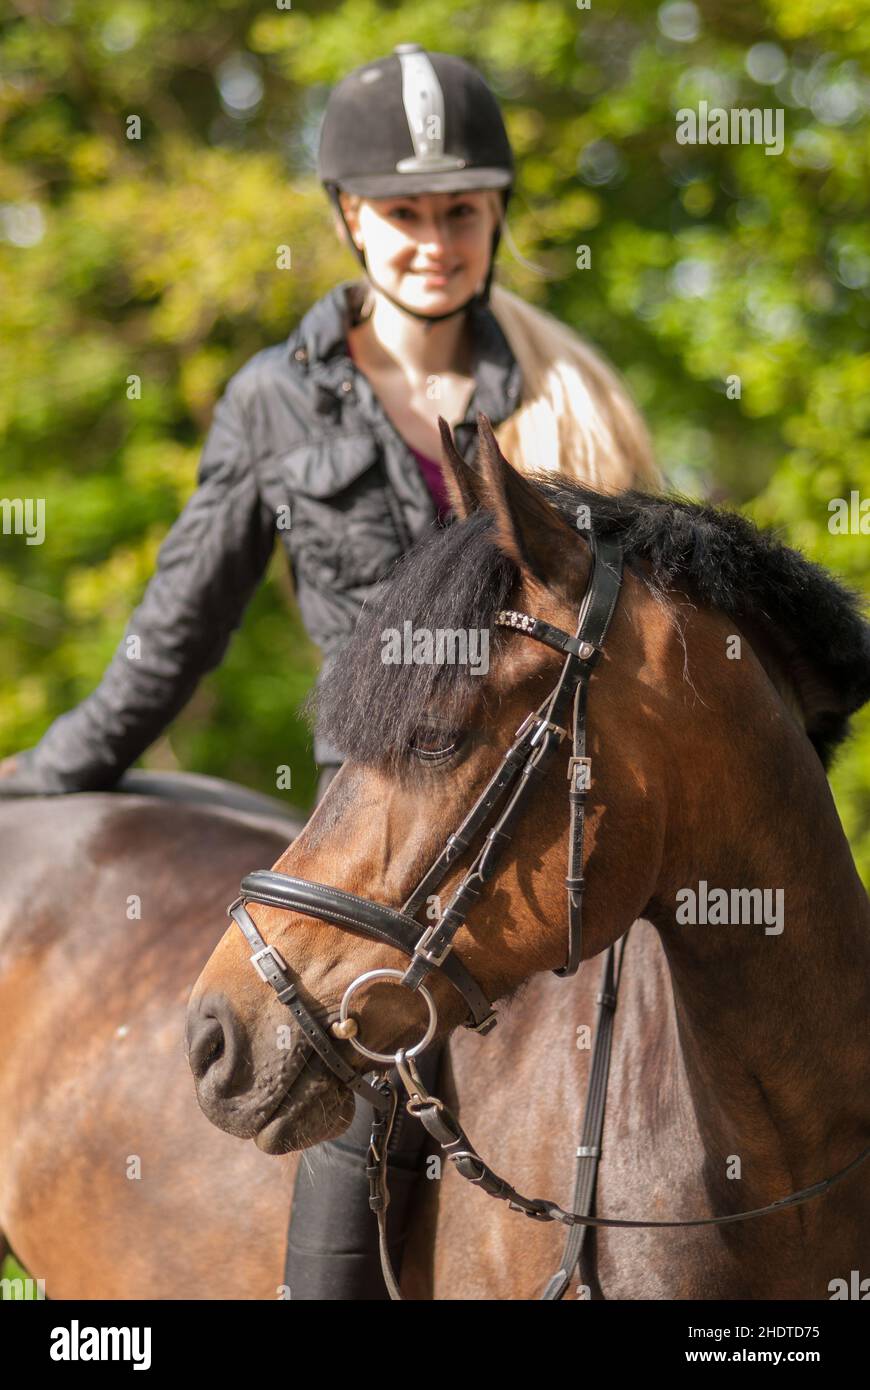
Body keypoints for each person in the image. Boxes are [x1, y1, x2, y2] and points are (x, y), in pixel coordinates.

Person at [0, 43, 661, 1296]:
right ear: (351, 219)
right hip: (384, 833)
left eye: (458, 210)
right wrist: (58, 768)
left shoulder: (573, 398)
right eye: (403, 213)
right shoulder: (275, 404)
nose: (433, 240)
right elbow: (179, 625)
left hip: (541, 825)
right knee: (352, 1102)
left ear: (495, 215)